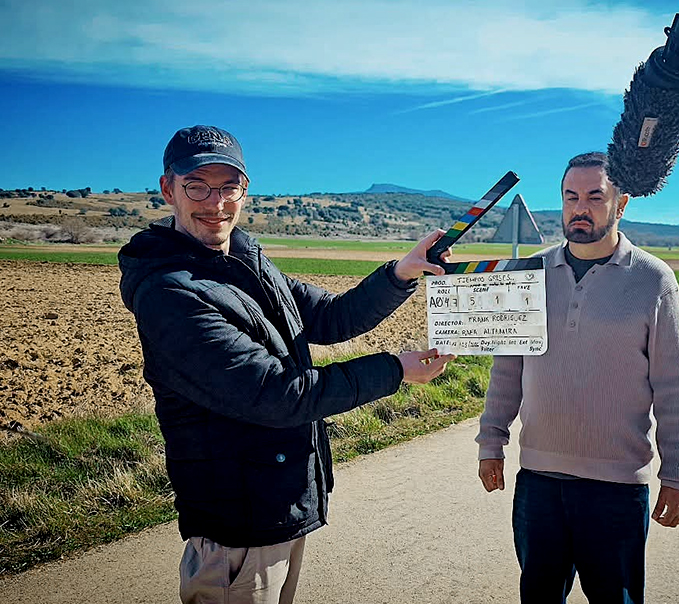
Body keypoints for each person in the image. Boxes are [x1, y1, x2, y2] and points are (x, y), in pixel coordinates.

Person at [118, 125, 455, 604]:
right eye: (198, 185)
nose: (215, 202)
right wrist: (395, 370)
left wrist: (402, 272)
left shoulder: (244, 260)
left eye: (228, 186)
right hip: (237, 523)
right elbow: (277, 395)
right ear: (168, 188)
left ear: (245, 190)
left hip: (276, 500)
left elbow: (329, 317)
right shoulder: (170, 291)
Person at [476, 151, 679, 604]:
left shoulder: (654, 280)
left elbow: (674, 385)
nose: (581, 207)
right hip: (538, 482)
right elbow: (507, 369)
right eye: (571, 196)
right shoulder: (528, 273)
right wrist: (490, 442)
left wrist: (678, 473)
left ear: (622, 203)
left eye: (595, 196)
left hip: (616, 488)